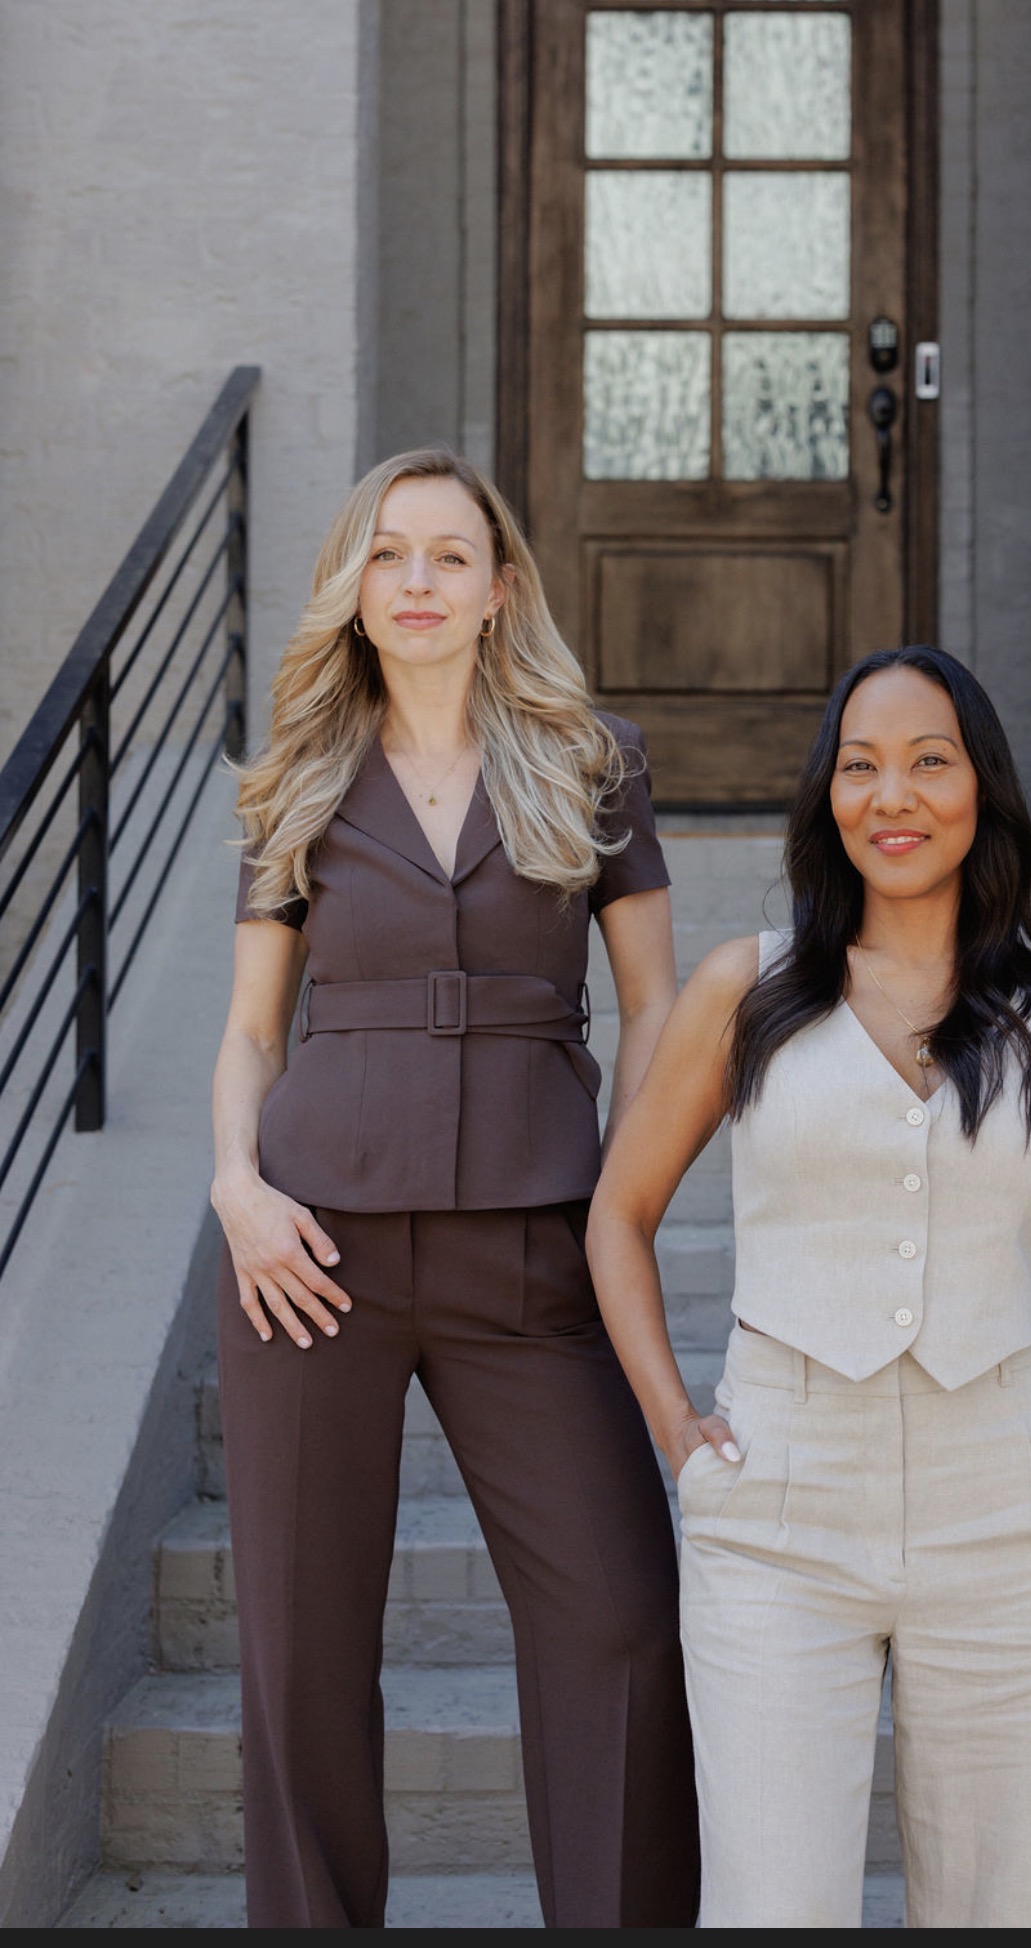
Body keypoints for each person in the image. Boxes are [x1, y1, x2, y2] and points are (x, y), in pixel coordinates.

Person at [585, 645, 1031, 1930]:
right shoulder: (741, 991)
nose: (894, 793)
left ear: (983, 790)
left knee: (1007, 1906)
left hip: (1014, 1511)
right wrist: (676, 1432)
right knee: (770, 1905)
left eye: (931, 760)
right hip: (779, 1510)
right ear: (827, 799)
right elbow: (618, 1216)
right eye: (861, 766)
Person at [208, 447, 700, 1930]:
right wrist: (235, 1183)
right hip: (310, 1251)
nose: (416, 582)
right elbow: (249, 1029)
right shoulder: (297, 776)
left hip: (533, 1246)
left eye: (447, 556)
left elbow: (661, 1011)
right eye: (387, 555)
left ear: (498, 590)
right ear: (354, 591)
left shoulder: (591, 759)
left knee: (617, 1618)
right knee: (300, 1654)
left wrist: (622, 1201)